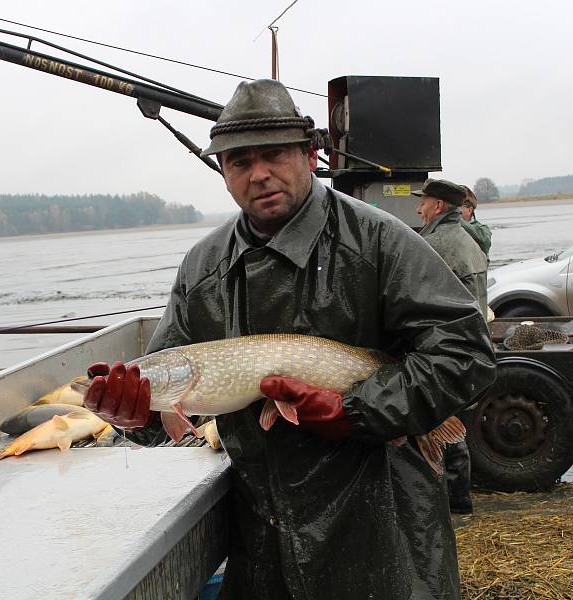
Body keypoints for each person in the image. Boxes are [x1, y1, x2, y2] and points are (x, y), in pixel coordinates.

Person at [85, 80, 496, 599]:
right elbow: (170, 381)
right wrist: (135, 415)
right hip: (264, 545)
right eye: (238, 162)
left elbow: (467, 355)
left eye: (274, 154)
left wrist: (355, 410)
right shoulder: (203, 267)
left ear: (309, 154)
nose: (259, 174)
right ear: (224, 173)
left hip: (384, 530)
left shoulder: (380, 242)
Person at [413, 179, 490, 515]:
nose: (419, 208)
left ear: (439, 206)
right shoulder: (469, 238)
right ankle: (459, 498)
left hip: (444, 352)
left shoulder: (434, 244)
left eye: (424, 202)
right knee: (451, 420)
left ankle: (453, 502)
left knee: (440, 423)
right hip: (468, 350)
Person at [459, 186, 492, 257]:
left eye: (457, 207)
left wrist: (455, 218)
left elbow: (485, 241)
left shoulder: (482, 229)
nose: (453, 210)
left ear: (469, 210)